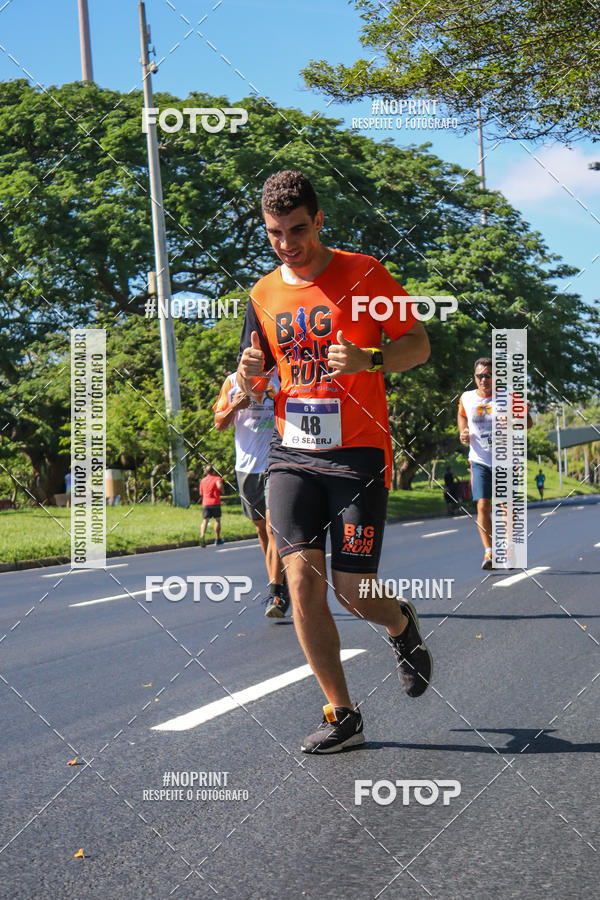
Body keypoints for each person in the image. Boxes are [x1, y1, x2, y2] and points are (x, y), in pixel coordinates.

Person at [236, 170, 433, 754]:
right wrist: (249, 380)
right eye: (275, 233)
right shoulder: (263, 294)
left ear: (319, 221)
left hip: (356, 453)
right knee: (300, 582)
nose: (287, 243)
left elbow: (417, 346)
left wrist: (370, 358)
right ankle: (342, 712)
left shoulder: (365, 273)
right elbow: (254, 373)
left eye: (297, 229)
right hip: (291, 452)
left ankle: (400, 625)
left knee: (352, 590)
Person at [213, 372, 290, 617]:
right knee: (260, 528)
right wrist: (236, 405)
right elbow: (219, 423)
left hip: (276, 461)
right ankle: (279, 575)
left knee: (272, 527)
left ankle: (276, 593)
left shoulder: (281, 376)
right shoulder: (233, 382)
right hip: (246, 467)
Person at [458, 358, 532, 569]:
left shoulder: (509, 396)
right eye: (480, 376)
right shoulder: (467, 397)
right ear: (475, 377)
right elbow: (462, 415)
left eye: (488, 375)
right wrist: (462, 433)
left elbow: (528, 422)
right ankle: (489, 552)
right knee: (482, 504)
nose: (484, 380)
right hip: (479, 459)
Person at [199, 464, 224, 546]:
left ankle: (202, 536)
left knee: (205, 520)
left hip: (205, 503)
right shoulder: (217, 478)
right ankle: (217, 539)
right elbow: (219, 486)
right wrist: (222, 490)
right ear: (213, 471)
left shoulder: (202, 481)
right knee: (217, 520)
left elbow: (201, 493)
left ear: (206, 472)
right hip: (215, 502)